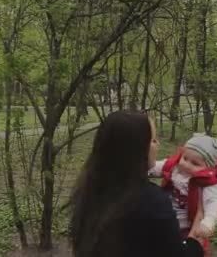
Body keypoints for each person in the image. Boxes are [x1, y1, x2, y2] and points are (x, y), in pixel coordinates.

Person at [69, 110, 204, 257]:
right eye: (153, 140)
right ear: (137, 149)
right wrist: (199, 228)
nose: (158, 143)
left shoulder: (90, 191)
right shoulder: (153, 203)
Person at [149, 133, 217, 251]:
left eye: (195, 163)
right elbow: (158, 167)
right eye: (185, 158)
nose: (186, 164)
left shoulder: (206, 182)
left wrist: (209, 221)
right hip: (167, 218)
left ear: (208, 167)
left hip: (187, 226)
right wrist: (144, 169)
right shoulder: (175, 166)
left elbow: (214, 202)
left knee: (180, 248)